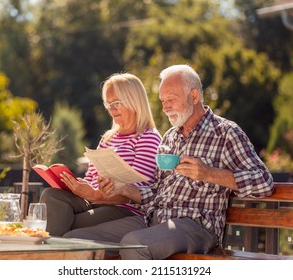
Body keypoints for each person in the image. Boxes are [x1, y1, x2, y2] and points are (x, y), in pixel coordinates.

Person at [63, 64, 274, 259]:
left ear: (194, 95)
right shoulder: (170, 138)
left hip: (197, 225)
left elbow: (263, 182)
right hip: (154, 219)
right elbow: (156, 192)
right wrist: (123, 188)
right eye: (163, 101)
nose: (165, 107)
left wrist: (208, 173)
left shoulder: (226, 133)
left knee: (135, 244)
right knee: (74, 242)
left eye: (171, 99)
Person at [39, 73, 161, 236]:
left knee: (64, 220)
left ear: (134, 102)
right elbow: (91, 178)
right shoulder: (108, 138)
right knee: (51, 196)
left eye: (116, 103)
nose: (112, 110)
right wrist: (77, 186)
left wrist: (95, 193)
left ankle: (48, 255)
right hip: (95, 202)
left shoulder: (148, 138)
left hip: (125, 210)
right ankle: (53, 254)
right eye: (108, 104)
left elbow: (136, 193)